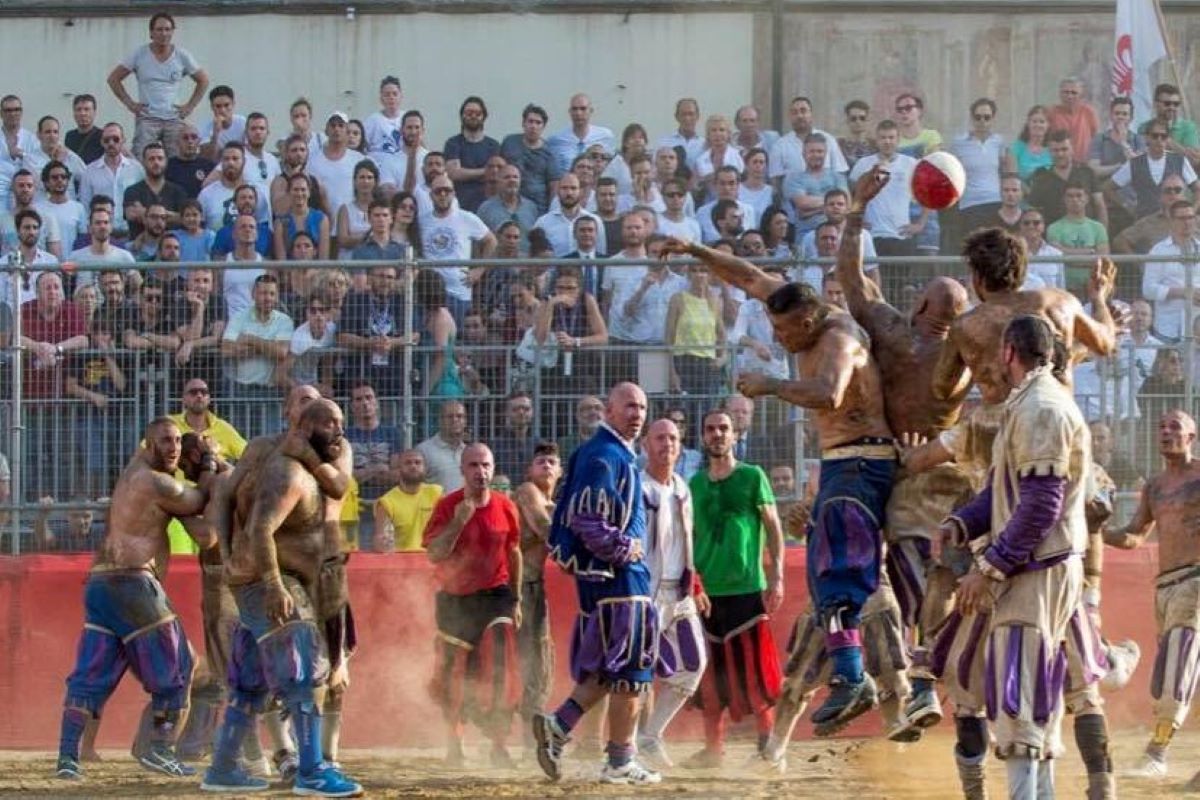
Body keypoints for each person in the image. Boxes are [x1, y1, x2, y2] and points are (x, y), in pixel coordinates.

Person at [660, 234, 894, 733]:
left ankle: (856, 678)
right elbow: (747, 275)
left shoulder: (837, 339)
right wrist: (692, 249)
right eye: (774, 325)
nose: (780, 338)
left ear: (809, 322)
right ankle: (855, 676)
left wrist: (769, 386)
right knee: (826, 575)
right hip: (840, 462)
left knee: (839, 576)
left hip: (860, 460)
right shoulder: (798, 309)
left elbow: (829, 394)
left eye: (787, 331)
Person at [823, 166, 975, 740]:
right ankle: (914, 688)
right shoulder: (959, 349)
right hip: (929, 471)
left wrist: (858, 210)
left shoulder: (900, 333)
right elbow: (854, 281)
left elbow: (851, 279)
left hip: (896, 468)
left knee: (884, 581)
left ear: (917, 304)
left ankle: (907, 688)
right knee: (921, 582)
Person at [946, 315, 1090, 799]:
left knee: (1019, 696)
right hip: (1037, 565)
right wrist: (962, 523)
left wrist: (988, 569)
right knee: (1029, 697)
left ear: (1009, 351)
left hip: (1035, 571)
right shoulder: (1033, 403)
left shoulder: (1041, 407)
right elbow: (1009, 492)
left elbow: (1042, 503)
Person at [202, 399, 362, 796]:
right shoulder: (288, 471)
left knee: (250, 683)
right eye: (330, 424)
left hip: (261, 579)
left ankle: (222, 768)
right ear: (304, 426)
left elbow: (340, 484)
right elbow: (260, 529)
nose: (339, 431)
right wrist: (273, 583)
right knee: (304, 674)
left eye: (341, 422)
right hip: (271, 582)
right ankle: (311, 771)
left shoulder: (306, 464)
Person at [54, 418, 220, 780]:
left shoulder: (134, 470)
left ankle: (67, 757)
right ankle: (159, 749)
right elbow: (199, 503)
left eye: (177, 441)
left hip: (99, 585)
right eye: (165, 441)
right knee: (180, 670)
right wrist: (207, 464)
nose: (173, 447)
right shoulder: (157, 483)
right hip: (133, 584)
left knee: (90, 676)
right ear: (148, 445)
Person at [534, 382, 663, 785]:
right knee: (631, 671)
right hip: (619, 581)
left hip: (610, 581)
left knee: (609, 670)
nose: (636, 414)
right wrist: (626, 549)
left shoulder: (609, 453)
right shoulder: (605, 455)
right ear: (609, 411)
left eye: (641, 407)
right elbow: (586, 519)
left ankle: (558, 726)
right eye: (628, 406)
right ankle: (621, 762)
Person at [1102, 410, 1200, 782]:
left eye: (1175, 426)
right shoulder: (1155, 487)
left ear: (1192, 436)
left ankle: (1157, 753)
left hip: (1195, 580)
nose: (1166, 432)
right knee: (1176, 670)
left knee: (1178, 664)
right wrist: (1093, 529)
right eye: (1161, 426)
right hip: (1166, 586)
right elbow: (1133, 535)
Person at [683, 409, 782, 766]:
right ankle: (713, 750)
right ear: (703, 436)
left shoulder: (753, 476)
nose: (717, 434)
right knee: (711, 678)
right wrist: (693, 583)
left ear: (736, 435)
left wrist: (779, 576)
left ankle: (767, 745)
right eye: (710, 429)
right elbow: (686, 538)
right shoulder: (693, 483)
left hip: (746, 588)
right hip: (707, 592)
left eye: (723, 428)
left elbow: (773, 527)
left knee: (754, 673)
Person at [423, 443, 523, 764]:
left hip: (495, 596)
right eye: (473, 466)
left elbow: (515, 552)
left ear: (493, 469)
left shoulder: (506, 506)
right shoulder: (447, 506)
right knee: (453, 674)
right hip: (455, 598)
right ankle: (455, 742)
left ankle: (498, 743)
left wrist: (517, 599)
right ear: (463, 470)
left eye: (486, 465)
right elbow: (435, 553)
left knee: (500, 666)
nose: (481, 472)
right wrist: (458, 521)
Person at [634, 418, 707, 768]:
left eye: (673, 438)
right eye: (660, 438)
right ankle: (615, 745)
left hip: (678, 594)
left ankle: (648, 736)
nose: (667, 444)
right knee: (631, 672)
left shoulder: (682, 486)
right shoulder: (636, 486)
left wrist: (695, 585)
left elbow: (684, 540)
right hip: (644, 593)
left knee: (693, 666)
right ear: (646, 444)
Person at [107, 12, 209, 159]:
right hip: (147, 119)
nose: (164, 33)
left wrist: (190, 106)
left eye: (168, 29)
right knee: (141, 159)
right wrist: (130, 104)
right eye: (159, 29)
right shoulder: (139, 54)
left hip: (173, 118)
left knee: (177, 161)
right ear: (151, 33)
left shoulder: (182, 55)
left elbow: (203, 80)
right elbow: (113, 79)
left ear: (173, 32)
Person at [512, 442, 560, 737]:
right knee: (534, 658)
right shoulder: (528, 491)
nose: (546, 466)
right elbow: (545, 528)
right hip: (520, 585)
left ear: (560, 470)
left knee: (538, 658)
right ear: (530, 469)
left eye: (552, 462)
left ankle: (532, 727)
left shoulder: (552, 499)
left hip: (532, 585)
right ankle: (530, 728)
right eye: (540, 461)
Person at [373, 449, 442, 552]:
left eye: (417, 463)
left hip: (432, 559)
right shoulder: (386, 502)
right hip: (401, 561)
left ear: (425, 468)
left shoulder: (437, 493)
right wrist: (383, 543)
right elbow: (380, 538)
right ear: (399, 469)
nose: (413, 466)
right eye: (408, 463)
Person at [1008, 106, 1053, 182]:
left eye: (1042, 122)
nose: (1038, 125)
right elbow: (1012, 177)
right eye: (1034, 121)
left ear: (1048, 125)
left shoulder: (1053, 148)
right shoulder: (1017, 147)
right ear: (1028, 123)